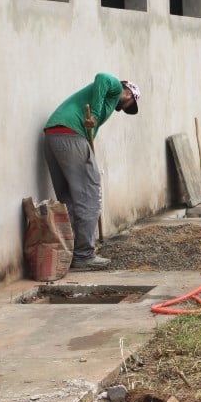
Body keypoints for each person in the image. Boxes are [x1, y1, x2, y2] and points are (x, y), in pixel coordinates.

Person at [43, 74, 140, 271]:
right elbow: (102, 77)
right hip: (71, 134)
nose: (125, 109)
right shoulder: (114, 87)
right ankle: (84, 255)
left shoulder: (107, 101)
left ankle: (69, 253)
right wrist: (94, 114)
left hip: (54, 135)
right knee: (90, 195)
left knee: (69, 198)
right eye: (130, 104)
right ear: (128, 92)